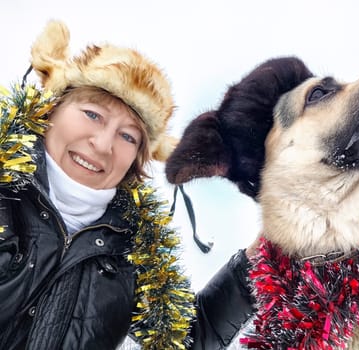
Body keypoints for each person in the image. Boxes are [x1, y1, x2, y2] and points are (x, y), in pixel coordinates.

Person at [0, 20, 254, 350]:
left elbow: (184, 342)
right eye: (93, 114)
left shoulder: (130, 256)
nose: (104, 144)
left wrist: (259, 260)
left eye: (127, 136)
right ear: (51, 108)